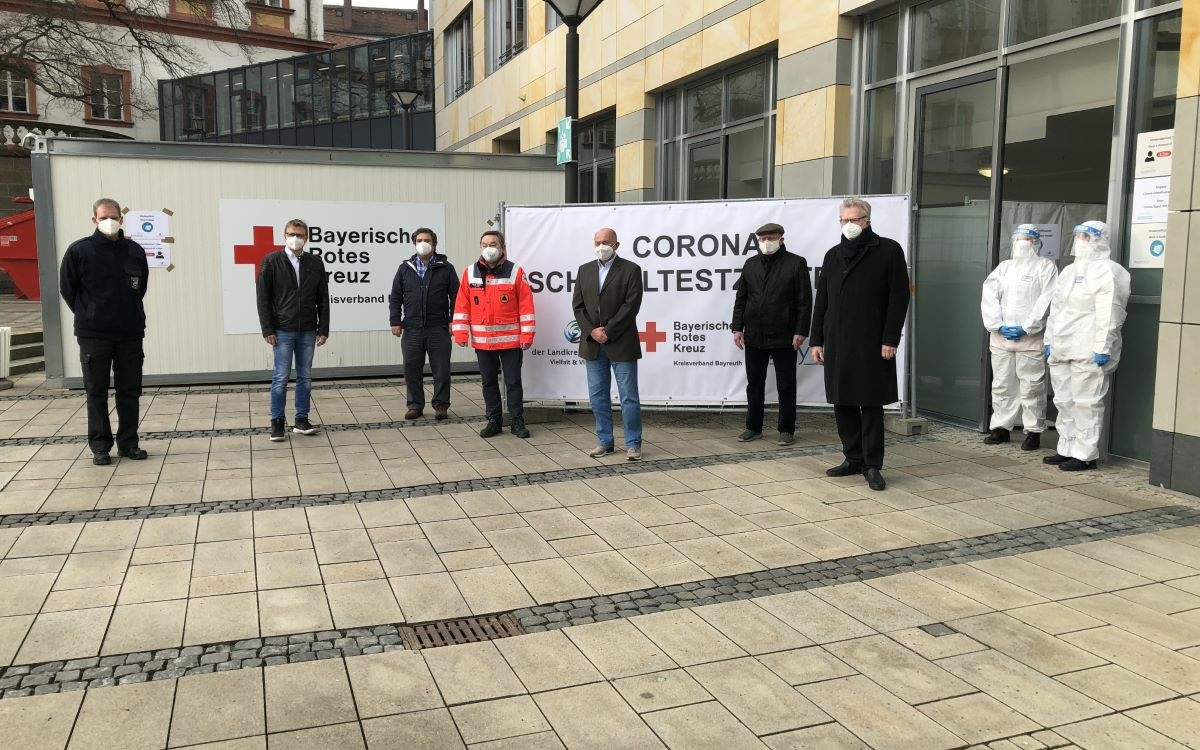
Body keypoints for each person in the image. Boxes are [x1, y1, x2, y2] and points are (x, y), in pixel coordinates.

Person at [810, 197, 910, 492]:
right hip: (838, 341)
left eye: (855, 219)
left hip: (872, 342)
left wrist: (890, 338)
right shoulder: (832, 255)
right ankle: (852, 458)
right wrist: (817, 339)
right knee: (843, 402)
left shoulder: (888, 250)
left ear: (868, 220)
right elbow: (822, 301)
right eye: (845, 220)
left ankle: (872, 465)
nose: (850, 225)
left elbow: (899, 298)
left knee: (870, 404)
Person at [59, 198, 150, 465]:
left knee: (129, 390)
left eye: (114, 216)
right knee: (96, 391)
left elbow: (140, 287)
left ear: (121, 219)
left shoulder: (134, 251)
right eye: (103, 217)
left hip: (129, 333)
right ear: (94, 220)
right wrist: (89, 313)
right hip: (94, 334)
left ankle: (128, 443)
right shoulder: (79, 251)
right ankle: (100, 446)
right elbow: (68, 289)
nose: (109, 221)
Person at [1042, 221, 1130, 471]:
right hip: (1062, 345)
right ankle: (1066, 447)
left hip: (1089, 346)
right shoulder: (1070, 271)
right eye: (1078, 234)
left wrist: (1104, 346)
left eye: (1086, 236)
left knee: (1086, 402)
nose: (1080, 240)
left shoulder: (1111, 271)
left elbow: (1111, 312)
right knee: (1063, 400)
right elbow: (1055, 309)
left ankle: (1085, 454)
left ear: (1101, 239)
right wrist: (1049, 340)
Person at [731, 221, 812, 446]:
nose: (766, 242)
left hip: (784, 335)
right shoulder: (750, 264)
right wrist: (737, 327)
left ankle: (786, 429)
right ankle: (753, 427)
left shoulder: (796, 263)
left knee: (786, 384)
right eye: (763, 239)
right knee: (754, 384)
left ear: (781, 239)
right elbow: (741, 299)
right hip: (754, 335)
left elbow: (804, 302)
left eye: (771, 238)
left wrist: (800, 331)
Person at [979, 224, 1059, 450]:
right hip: (1002, 338)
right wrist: (997, 325)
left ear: (1036, 242)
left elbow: (1048, 300)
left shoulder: (1046, 267)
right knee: (1002, 384)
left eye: (1027, 238)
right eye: (1019, 238)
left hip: (1030, 339)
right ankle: (1001, 428)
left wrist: (1028, 327)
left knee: (1031, 386)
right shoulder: (1004, 268)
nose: (1022, 242)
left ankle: (1033, 431)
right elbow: (989, 296)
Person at [452, 230, 536, 438]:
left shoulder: (515, 271)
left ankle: (517, 422)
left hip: (511, 342)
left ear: (502, 248)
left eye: (493, 244)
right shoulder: (469, 273)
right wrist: (460, 333)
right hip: (483, 343)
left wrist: (527, 336)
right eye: (484, 244)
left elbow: (526, 307)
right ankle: (494, 421)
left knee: (513, 382)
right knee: (488, 383)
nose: (489, 248)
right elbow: (462, 305)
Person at [572, 228, 645, 461]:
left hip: (621, 342)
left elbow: (631, 305)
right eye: (597, 242)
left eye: (605, 242)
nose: (601, 246)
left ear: (616, 244)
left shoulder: (631, 270)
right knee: (597, 396)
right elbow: (578, 306)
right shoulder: (584, 270)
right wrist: (592, 330)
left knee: (628, 397)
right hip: (593, 344)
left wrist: (609, 331)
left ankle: (633, 444)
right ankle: (605, 442)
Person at [255, 218, 329, 442]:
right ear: (284, 236)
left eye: (299, 235)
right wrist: (268, 328)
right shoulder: (271, 261)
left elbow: (323, 298)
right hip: (282, 329)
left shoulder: (315, 263)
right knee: (280, 377)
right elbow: (262, 299)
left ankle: (301, 420)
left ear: (306, 238)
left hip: (308, 329)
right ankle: (277, 422)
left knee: (305, 377)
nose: (295, 238)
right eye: (291, 234)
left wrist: (323, 327)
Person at [389, 228, 459, 421]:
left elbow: (456, 296)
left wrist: (454, 320)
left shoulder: (446, 268)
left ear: (434, 244)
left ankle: (441, 405)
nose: (423, 243)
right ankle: (415, 405)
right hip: (412, 328)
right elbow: (395, 297)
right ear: (414, 243)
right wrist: (395, 320)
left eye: (426, 240)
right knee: (412, 369)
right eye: (419, 240)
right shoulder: (405, 268)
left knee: (441, 370)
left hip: (439, 328)